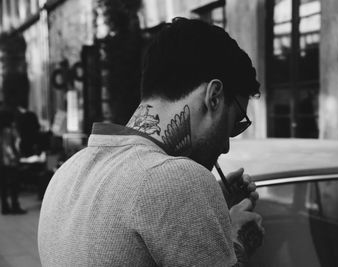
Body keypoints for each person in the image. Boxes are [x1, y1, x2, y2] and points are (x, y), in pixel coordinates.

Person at [38, 18, 264, 266]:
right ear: (215, 97)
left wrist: (210, 209)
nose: (226, 146)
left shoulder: (66, 173)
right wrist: (238, 240)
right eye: (235, 123)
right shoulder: (178, 180)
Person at [0, 108, 27, 215]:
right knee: (14, 185)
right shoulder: (9, 130)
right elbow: (10, 147)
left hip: (1, 162)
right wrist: (16, 158)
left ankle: (5, 207)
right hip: (10, 162)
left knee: (3, 186)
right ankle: (15, 206)